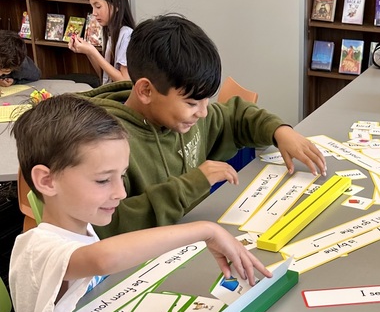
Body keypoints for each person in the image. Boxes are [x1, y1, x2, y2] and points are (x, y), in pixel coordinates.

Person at [9, 94, 269, 312]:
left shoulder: (81, 224)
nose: (120, 193)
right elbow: (103, 259)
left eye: (121, 176)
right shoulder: (37, 248)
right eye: (102, 180)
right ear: (47, 180)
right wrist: (206, 230)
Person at [84, 13, 326, 237]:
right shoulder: (106, 147)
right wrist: (192, 185)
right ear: (146, 90)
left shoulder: (184, 118)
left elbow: (236, 116)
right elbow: (108, 225)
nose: (203, 112)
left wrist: (279, 131)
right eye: (191, 103)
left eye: (206, 100)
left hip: (196, 239)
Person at [68, 0, 136, 84]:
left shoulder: (127, 34)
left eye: (98, 6)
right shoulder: (111, 33)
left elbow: (124, 81)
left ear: (117, 5)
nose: (94, 13)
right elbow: (104, 75)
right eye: (92, 7)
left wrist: (93, 51)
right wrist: (88, 52)